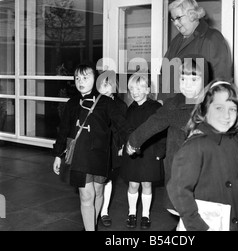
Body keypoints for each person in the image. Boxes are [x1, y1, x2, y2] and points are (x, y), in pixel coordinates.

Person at [167, 80, 238, 231]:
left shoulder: (235, 142)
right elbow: (178, 190)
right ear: (204, 110)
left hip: (237, 219)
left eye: (232, 109)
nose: (226, 115)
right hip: (207, 224)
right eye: (219, 108)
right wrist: (198, 227)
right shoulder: (195, 145)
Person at [126, 58, 206, 225]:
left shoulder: (212, 105)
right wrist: (133, 141)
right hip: (179, 170)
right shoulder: (173, 104)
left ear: (204, 80)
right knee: (184, 212)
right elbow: (154, 123)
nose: (187, 85)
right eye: (183, 79)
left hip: (205, 171)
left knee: (201, 212)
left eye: (194, 79)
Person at [53, 64, 129, 231]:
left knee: (98, 192)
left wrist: (129, 143)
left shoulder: (106, 102)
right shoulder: (72, 103)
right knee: (86, 196)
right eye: (77, 78)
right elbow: (64, 129)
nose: (80, 81)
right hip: (80, 156)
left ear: (95, 79)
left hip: (101, 155)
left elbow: (121, 126)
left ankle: (91, 224)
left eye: (85, 77)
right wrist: (58, 154)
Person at [158, 0, 232, 102]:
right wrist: (161, 100)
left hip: (194, 108)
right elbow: (164, 71)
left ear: (192, 15)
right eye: (173, 19)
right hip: (170, 107)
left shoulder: (212, 38)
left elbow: (221, 82)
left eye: (178, 18)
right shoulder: (176, 40)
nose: (175, 23)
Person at [120, 73, 166, 230]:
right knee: (133, 184)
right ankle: (131, 213)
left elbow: (162, 131)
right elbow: (125, 130)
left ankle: (145, 215)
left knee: (147, 184)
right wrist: (123, 146)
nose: (135, 91)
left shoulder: (156, 108)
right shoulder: (130, 109)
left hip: (150, 151)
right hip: (133, 152)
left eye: (139, 88)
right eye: (132, 88)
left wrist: (160, 151)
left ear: (147, 90)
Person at [97, 70, 128, 228]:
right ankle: (94, 209)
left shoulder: (120, 105)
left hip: (112, 146)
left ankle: (104, 211)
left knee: (108, 179)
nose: (105, 87)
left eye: (108, 84)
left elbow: (123, 127)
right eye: (102, 84)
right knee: (95, 180)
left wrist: (122, 145)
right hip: (95, 147)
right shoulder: (94, 102)